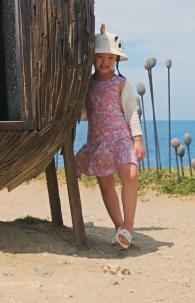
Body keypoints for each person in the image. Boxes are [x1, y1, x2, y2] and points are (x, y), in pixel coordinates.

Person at [75, 23, 146, 249]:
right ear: (92, 58)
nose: (105, 61)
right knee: (106, 185)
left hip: (121, 138)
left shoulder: (120, 83)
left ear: (117, 60)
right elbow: (81, 111)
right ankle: (119, 229)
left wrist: (137, 139)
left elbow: (131, 110)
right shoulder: (87, 85)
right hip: (98, 141)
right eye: (100, 56)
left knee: (131, 175)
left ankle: (129, 224)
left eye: (111, 57)